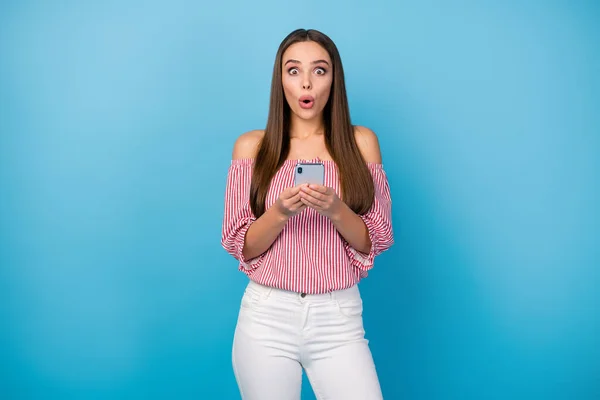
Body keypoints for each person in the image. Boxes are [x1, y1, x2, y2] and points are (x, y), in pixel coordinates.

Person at [221, 28, 394, 400]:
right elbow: (243, 246)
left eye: (319, 70)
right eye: (293, 70)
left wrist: (334, 208)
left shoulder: (361, 142)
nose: (306, 83)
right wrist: (281, 209)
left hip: (338, 317)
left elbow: (374, 238)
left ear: (334, 79)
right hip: (267, 316)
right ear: (280, 78)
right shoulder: (252, 147)